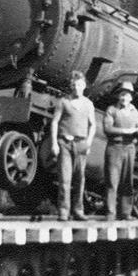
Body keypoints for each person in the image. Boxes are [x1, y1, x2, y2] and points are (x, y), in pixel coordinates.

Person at [50, 71, 96, 221]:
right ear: (72, 86)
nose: (77, 88)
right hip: (65, 143)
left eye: (80, 85)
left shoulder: (88, 104)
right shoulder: (63, 101)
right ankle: (63, 211)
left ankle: (78, 210)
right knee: (65, 179)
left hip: (81, 144)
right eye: (75, 85)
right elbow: (55, 122)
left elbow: (93, 125)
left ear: (84, 86)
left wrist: (89, 142)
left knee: (80, 179)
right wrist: (54, 143)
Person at [103, 81, 138, 220]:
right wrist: (127, 131)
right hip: (115, 148)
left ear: (131, 97)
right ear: (118, 96)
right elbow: (108, 129)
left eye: (127, 95)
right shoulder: (112, 110)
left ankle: (125, 213)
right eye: (122, 94)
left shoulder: (134, 111)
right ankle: (110, 213)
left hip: (129, 149)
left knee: (127, 182)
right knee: (112, 181)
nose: (124, 97)